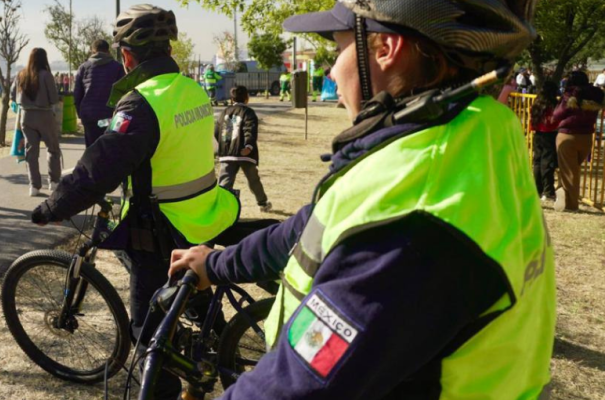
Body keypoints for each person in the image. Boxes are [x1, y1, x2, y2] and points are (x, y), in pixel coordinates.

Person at [168, 1, 556, 399]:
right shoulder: (466, 132)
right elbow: (310, 227)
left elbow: (294, 388)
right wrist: (214, 264)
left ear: (386, 48)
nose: (333, 73)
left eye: (338, 50)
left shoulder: (415, 219)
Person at [31, 5, 240, 400]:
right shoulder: (191, 87)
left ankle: (166, 386)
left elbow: (100, 166)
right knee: (191, 293)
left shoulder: (142, 103)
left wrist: (54, 207)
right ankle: (211, 341)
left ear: (126, 55)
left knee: (147, 331)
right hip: (206, 215)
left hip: (163, 229)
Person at [11, 48, 62, 196]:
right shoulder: (46, 75)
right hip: (44, 115)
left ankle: (34, 185)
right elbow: (53, 98)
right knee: (52, 149)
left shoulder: (21, 74)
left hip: (26, 116)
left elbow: (13, 96)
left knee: (31, 152)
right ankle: (54, 182)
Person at [553, 71, 605, 212]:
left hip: (567, 136)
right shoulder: (597, 95)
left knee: (570, 172)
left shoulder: (570, 95)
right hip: (587, 137)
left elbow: (557, 114)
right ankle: (562, 192)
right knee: (572, 170)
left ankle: (570, 205)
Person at [216, 85, 272, 212]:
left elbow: (217, 131)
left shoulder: (224, 112)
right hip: (245, 153)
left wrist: (224, 145)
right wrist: (248, 145)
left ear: (231, 99)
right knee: (253, 180)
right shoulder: (248, 112)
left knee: (225, 181)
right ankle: (262, 203)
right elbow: (249, 130)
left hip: (227, 153)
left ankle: (220, 206)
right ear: (247, 98)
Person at [73, 39, 126, 147]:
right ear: (108, 51)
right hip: (109, 115)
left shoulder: (83, 67)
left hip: (89, 116)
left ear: (93, 51)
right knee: (109, 147)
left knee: (91, 148)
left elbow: (77, 94)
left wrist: (81, 113)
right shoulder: (117, 67)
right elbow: (123, 92)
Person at [531, 81, 560, 202]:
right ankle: (548, 192)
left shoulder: (537, 102)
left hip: (538, 134)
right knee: (547, 164)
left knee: (537, 162)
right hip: (550, 134)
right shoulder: (554, 103)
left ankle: (537, 190)